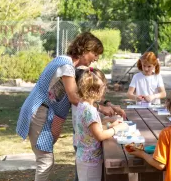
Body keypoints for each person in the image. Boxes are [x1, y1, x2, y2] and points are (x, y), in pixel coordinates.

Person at [16, 32, 121, 181]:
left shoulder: (70, 67)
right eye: (95, 53)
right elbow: (74, 96)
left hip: (45, 113)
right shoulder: (66, 66)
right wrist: (101, 109)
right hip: (39, 111)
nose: (96, 58)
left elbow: (88, 90)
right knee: (45, 160)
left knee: (46, 158)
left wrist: (108, 104)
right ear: (85, 50)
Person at [74, 68, 129, 181]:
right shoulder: (90, 110)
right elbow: (99, 135)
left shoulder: (82, 105)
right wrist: (117, 129)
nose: (104, 90)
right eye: (104, 88)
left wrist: (110, 125)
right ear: (96, 90)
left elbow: (90, 130)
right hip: (90, 160)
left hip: (85, 157)